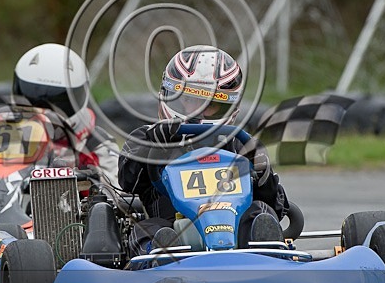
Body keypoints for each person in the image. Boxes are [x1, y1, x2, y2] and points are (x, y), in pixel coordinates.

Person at [118, 45, 291, 256]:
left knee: (261, 213)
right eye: (189, 100)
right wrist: (153, 148)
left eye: (209, 104)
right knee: (147, 229)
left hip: (236, 235)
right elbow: (126, 180)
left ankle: (269, 256)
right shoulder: (146, 137)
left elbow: (279, 207)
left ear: (227, 105)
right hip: (172, 228)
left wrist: (264, 178)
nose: (196, 111)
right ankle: (159, 258)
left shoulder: (239, 143)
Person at [0, 43, 120, 219]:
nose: (40, 110)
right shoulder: (2, 129)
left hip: (59, 221)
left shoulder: (95, 143)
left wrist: (79, 177)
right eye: (32, 99)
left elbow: (115, 198)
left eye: (54, 101)